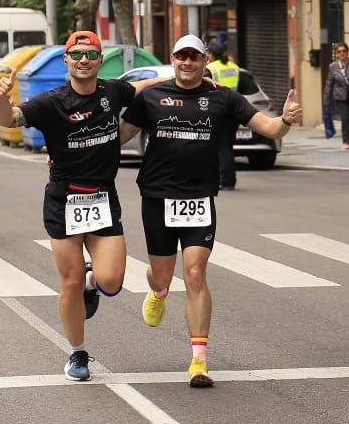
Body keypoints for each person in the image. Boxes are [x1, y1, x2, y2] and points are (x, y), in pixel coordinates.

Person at [121, 35, 302, 388]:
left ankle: (198, 361)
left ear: (205, 60)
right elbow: (118, 138)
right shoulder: (152, 97)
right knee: (161, 275)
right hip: (157, 197)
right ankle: (158, 292)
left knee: (195, 272)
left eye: (193, 56)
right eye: (180, 56)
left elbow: (268, 128)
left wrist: (287, 119)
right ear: (172, 59)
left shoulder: (223, 97)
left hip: (199, 198)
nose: (187, 62)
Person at [0, 31, 164, 381]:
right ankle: (77, 354)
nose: (83, 60)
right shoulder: (51, 101)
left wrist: (185, 78)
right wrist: (1, 98)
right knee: (69, 282)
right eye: (77, 55)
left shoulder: (112, 91)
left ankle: (92, 281)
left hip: (102, 198)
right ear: (66, 61)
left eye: (90, 55)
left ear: (100, 61)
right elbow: (8, 120)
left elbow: (144, 87)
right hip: (63, 200)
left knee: (112, 282)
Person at [206, 44, 242, 190]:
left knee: (221, 147)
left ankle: (226, 180)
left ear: (211, 54)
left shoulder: (211, 69)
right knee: (227, 146)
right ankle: (229, 179)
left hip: (219, 110)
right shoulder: (234, 67)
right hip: (234, 110)